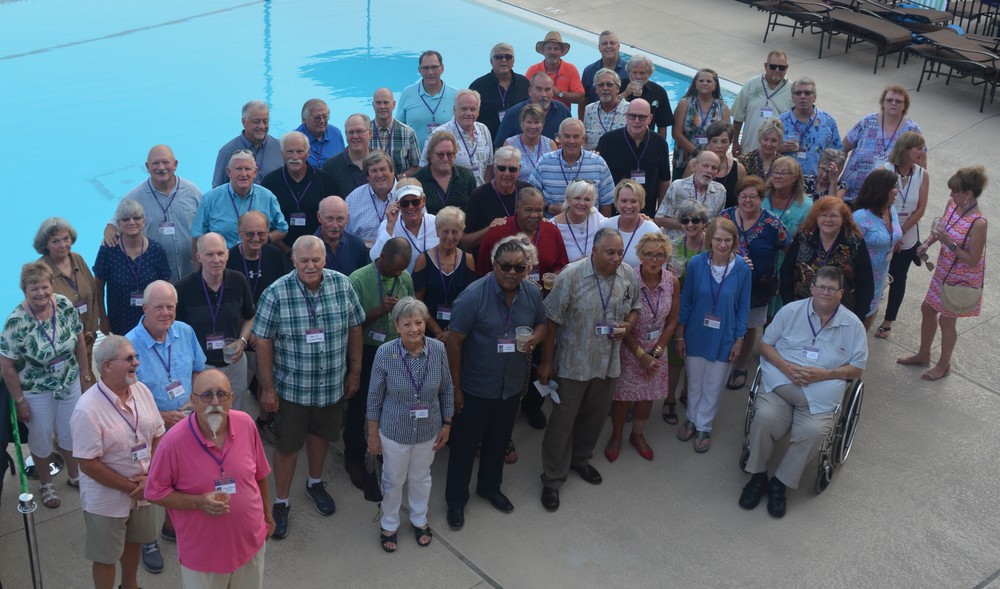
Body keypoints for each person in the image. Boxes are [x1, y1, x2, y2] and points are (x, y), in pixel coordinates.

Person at [253, 236, 365, 539]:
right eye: (304, 261)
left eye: (316, 259)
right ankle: (281, 502)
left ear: (324, 259)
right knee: (287, 447)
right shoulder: (276, 293)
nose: (311, 266)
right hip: (293, 390)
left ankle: (315, 483)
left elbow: (356, 327)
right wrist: (267, 388)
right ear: (294, 261)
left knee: (320, 437)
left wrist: (354, 373)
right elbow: (262, 341)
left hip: (331, 386)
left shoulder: (343, 285)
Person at [739, 266, 867, 519]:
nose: (825, 292)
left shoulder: (853, 325)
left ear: (841, 293)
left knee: (813, 432)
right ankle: (758, 475)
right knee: (764, 419)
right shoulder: (790, 311)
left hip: (819, 399)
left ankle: (780, 484)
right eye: (821, 287)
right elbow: (765, 345)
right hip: (781, 387)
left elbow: (857, 369)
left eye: (832, 289)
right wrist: (786, 368)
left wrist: (825, 374)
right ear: (812, 288)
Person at [444, 238, 546, 529]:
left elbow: (543, 323)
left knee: (499, 441)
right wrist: (455, 388)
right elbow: (454, 341)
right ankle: (456, 500)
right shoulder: (473, 296)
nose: (512, 272)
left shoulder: (532, 292)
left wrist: (535, 339)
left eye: (519, 267)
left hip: (510, 385)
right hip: (475, 386)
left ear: (527, 268)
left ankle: (489, 487)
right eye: (506, 267)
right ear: (494, 265)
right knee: (464, 447)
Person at [537, 228, 641, 511]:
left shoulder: (627, 274)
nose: (616, 258)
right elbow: (551, 319)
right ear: (594, 252)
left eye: (620, 252)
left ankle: (580, 459)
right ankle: (552, 478)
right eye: (610, 252)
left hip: (607, 362)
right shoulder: (571, 275)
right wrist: (546, 362)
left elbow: (635, 306)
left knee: (594, 416)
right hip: (573, 363)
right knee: (562, 422)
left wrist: (629, 324)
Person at [145, 369, 273, 588]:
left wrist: (267, 516)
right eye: (206, 395)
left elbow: (260, 474)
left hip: (250, 544)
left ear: (231, 398)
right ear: (193, 400)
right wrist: (198, 502)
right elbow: (154, 493)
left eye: (221, 394)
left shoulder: (246, 424)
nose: (214, 402)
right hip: (204, 557)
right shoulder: (172, 443)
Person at [70, 335, 166, 589]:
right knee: (106, 556)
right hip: (107, 499)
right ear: (107, 366)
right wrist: (132, 487)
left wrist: (149, 478)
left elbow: (159, 435)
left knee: (134, 541)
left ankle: (130, 585)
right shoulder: (87, 409)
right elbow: (88, 464)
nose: (136, 362)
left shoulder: (141, 391)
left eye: (136, 357)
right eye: (129, 358)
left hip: (144, 488)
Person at [124, 280, 207, 573]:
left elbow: (198, 370)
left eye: (170, 307)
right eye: (158, 307)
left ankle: (172, 528)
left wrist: (196, 401)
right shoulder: (128, 346)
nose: (165, 313)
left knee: (183, 479)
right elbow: (124, 399)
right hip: (147, 429)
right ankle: (147, 540)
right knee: (148, 484)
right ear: (144, 308)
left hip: (185, 423)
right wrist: (161, 416)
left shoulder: (185, 332)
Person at [1, 262, 92, 509]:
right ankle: (46, 484)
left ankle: (75, 475)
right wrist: (19, 400)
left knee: (71, 431)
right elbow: (6, 365)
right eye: (34, 289)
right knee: (40, 437)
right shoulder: (15, 322)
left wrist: (85, 375)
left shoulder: (63, 304)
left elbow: (79, 339)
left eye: (44, 287)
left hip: (68, 382)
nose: (41, 293)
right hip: (36, 390)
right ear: (24, 291)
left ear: (51, 285)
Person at [367, 297, 453, 552]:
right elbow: (374, 397)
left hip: (428, 430)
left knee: (421, 477)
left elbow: (447, 389)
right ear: (396, 326)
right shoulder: (385, 353)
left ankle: (419, 519)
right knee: (393, 479)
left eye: (418, 322)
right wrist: (373, 434)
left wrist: (447, 424)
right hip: (394, 431)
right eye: (407, 324)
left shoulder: (438, 349)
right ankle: (389, 524)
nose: (414, 329)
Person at [898, 167, 988, 381]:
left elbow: (973, 260)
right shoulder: (952, 205)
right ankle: (923, 354)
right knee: (927, 309)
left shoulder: (979, 223)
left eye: (955, 191)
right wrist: (928, 243)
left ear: (968, 193)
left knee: (947, 322)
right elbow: (941, 228)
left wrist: (949, 242)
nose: (951, 194)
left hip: (962, 279)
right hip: (944, 271)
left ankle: (943, 364)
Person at [674, 218, 751, 453]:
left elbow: (743, 307)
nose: (722, 245)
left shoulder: (742, 268)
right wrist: (680, 334)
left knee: (714, 384)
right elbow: (686, 300)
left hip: (725, 335)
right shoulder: (696, 263)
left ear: (734, 241)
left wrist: (739, 339)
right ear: (710, 240)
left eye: (727, 240)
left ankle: (704, 425)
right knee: (694, 381)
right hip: (696, 331)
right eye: (717, 239)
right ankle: (692, 418)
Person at [344, 238, 415, 490]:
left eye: (402, 269)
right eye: (394, 268)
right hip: (365, 350)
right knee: (359, 406)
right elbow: (350, 326)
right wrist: (378, 311)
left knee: (391, 405)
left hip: (395, 351)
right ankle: (354, 459)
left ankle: (386, 453)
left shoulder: (405, 278)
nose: (398, 273)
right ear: (381, 256)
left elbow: (411, 313)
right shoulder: (357, 280)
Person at [605, 233, 679, 463]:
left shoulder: (672, 281)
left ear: (666, 257)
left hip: (657, 349)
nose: (654, 260)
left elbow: (672, 321)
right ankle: (616, 436)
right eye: (649, 254)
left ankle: (637, 435)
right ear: (640, 255)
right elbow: (620, 320)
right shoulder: (628, 279)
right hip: (629, 347)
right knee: (623, 398)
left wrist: (656, 352)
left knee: (647, 396)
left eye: (660, 255)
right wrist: (640, 355)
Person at [720, 177, 790, 390]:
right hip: (726, 283)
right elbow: (711, 242)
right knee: (724, 320)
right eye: (744, 196)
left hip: (757, 286)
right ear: (737, 197)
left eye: (753, 196)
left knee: (749, 326)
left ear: (761, 198)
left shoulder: (772, 223)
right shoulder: (725, 217)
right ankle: (721, 359)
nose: (748, 200)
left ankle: (741, 365)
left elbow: (789, 248)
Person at [175, 233, 256, 410]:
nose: (216, 260)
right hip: (201, 367)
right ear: (199, 257)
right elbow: (176, 332)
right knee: (206, 412)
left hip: (234, 364)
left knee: (235, 410)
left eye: (220, 253)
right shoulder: (183, 289)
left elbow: (250, 316)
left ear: (227, 255)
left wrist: (242, 341)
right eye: (209, 254)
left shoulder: (239, 281)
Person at [116, 144, 202, 282]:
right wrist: (110, 228)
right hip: (154, 279)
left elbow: (206, 224)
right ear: (147, 166)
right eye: (155, 163)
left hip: (191, 276)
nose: (161, 168)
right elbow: (118, 221)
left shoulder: (193, 192)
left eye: (166, 162)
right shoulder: (134, 197)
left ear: (175, 164)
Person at [780, 197, 875, 321]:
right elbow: (786, 271)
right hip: (803, 310)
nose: (828, 220)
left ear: (843, 219)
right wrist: (789, 304)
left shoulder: (854, 242)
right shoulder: (804, 237)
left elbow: (865, 281)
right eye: (823, 215)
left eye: (834, 216)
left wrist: (858, 317)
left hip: (841, 313)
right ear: (816, 217)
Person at [876, 132, 929, 339]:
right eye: (918, 148)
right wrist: (892, 233)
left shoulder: (922, 174)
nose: (922, 152)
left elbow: (921, 208)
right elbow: (877, 204)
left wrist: (901, 232)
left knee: (899, 278)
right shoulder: (885, 170)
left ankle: (888, 321)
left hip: (907, 234)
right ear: (906, 149)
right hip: (884, 231)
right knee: (876, 275)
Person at [662, 200, 711, 424]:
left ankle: (687, 393)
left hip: (703, 309)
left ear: (704, 222)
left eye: (695, 220)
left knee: (696, 356)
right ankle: (670, 398)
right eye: (685, 220)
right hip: (679, 308)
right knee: (675, 358)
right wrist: (670, 274)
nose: (690, 224)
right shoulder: (673, 247)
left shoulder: (712, 246)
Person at [93, 199, 171, 336]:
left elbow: (167, 286)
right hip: (119, 320)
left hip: (152, 319)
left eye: (136, 218)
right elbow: (98, 288)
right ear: (118, 224)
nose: (131, 222)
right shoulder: (108, 250)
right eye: (125, 219)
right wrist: (102, 317)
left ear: (144, 221)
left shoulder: (156, 250)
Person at [192, 150, 288, 249]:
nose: (243, 174)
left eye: (247, 169)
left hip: (258, 256)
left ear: (255, 172)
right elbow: (197, 235)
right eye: (238, 169)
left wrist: (264, 239)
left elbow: (282, 229)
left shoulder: (267, 197)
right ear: (229, 172)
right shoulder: (210, 199)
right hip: (222, 258)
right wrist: (198, 260)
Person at [841, 85, 922, 203]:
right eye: (889, 100)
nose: (893, 103)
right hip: (851, 194)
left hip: (884, 200)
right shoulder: (867, 121)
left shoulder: (912, 130)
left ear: (905, 106)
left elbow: (920, 165)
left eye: (898, 101)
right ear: (883, 102)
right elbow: (843, 148)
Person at [261, 131, 335, 256]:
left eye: (300, 151)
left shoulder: (324, 180)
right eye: (290, 151)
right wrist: (286, 251)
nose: (295, 157)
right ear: (282, 153)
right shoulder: (269, 182)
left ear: (308, 153)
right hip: (280, 253)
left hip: (317, 252)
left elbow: (331, 218)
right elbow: (265, 222)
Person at [35, 218, 98, 363]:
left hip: (87, 335)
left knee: (86, 371)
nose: (63, 245)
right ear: (45, 245)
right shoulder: (41, 270)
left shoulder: (77, 259)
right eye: (55, 241)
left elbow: (93, 293)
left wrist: (93, 330)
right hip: (61, 343)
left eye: (66, 239)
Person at [597, 98, 671, 217]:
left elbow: (664, 179)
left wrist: (660, 212)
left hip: (648, 213)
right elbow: (600, 181)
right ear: (626, 116)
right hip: (615, 213)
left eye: (642, 117)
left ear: (650, 119)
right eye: (632, 116)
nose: (636, 121)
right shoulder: (607, 141)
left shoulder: (659, 143)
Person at [413, 206, 477, 340]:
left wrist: (453, 332)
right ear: (437, 231)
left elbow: (470, 301)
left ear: (461, 233)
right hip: (429, 331)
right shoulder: (423, 260)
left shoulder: (468, 260)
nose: (450, 237)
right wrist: (438, 332)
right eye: (445, 231)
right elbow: (418, 301)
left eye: (455, 232)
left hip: (459, 331)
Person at [476, 187, 569, 278]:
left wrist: (553, 279)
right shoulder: (496, 234)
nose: (534, 215)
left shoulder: (552, 231)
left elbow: (561, 266)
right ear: (517, 208)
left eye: (539, 210)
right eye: (528, 210)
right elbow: (482, 273)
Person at [530, 118, 615, 216]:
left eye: (576, 136)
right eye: (566, 136)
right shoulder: (544, 162)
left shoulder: (599, 164)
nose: (571, 141)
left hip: (589, 224)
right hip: (553, 223)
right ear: (559, 138)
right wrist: (548, 207)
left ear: (583, 139)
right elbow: (531, 194)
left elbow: (606, 203)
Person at [852, 169, 902, 329]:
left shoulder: (891, 209)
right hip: (861, 281)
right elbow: (850, 251)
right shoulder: (860, 217)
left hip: (880, 279)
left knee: (868, 321)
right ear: (882, 189)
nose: (897, 191)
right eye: (894, 187)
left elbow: (893, 235)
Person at [763, 157, 813, 307]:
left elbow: (805, 241)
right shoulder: (761, 196)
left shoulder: (806, 205)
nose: (778, 176)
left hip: (787, 266)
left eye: (783, 173)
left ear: (795, 177)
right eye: (775, 172)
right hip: (761, 264)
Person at [462, 146, 532, 250]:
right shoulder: (478, 196)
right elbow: (465, 242)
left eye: (512, 169)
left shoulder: (527, 191)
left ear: (519, 169)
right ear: (494, 169)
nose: (507, 174)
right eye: (502, 168)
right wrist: (489, 229)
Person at [419, 89, 494, 186]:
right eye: (464, 109)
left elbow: (489, 166)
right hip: (453, 193)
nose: (468, 113)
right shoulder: (438, 134)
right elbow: (423, 169)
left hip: (480, 193)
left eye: (472, 109)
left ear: (478, 111)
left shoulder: (484, 130)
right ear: (454, 110)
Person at [777, 78, 843, 177]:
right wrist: (779, 148)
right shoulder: (780, 122)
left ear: (814, 97)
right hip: (786, 180)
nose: (802, 97)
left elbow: (839, 155)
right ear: (793, 97)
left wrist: (830, 178)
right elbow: (766, 152)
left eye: (807, 93)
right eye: (798, 93)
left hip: (817, 181)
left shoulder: (828, 121)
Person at [672, 68, 730, 179]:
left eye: (709, 81)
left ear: (715, 85)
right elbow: (676, 133)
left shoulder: (722, 107)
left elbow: (728, 135)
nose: (705, 83)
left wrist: (711, 156)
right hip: (684, 159)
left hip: (711, 162)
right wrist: (697, 152)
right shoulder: (685, 104)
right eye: (701, 81)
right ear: (696, 84)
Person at [370, 180, 439, 274]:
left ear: (423, 201)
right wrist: (391, 225)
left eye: (415, 202)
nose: (410, 207)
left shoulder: (437, 222)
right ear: (397, 204)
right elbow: (375, 258)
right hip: (400, 280)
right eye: (404, 203)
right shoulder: (388, 225)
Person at [731, 51, 792, 157]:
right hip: (749, 150)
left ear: (786, 68)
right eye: (773, 66)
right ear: (765, 66)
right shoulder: (751, 84)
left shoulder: (793, 90)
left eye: (781, 68)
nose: (777, 70)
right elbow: (738, 117)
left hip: (777, 155)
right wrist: (735, 141)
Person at [654, 151, 726, 238]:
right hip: (675, 243)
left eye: (714, 168)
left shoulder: (720, 191)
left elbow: (717, 224)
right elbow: (659, 219)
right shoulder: (678, 186)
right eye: (705, 166)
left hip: (703, 243)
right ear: (695, 165)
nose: (709, 171)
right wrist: (691, 224)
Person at [211, 100, 282, 188]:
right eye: (256, 121)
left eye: (265, 121)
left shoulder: (280, 148)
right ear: (244, 122)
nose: (262, 126)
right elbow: (217, 189)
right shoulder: (227, 151)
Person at [494, 72, 571, 149]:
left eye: (547, 90)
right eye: (539, 89)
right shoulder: (513, 113)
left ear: (552, 92)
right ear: (529, 91)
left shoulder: (563, 111)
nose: (543, 94)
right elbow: (499, 148)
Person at [469, 43, 530, 139]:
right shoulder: (478, 86)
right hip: (489, 141)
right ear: (491, 61)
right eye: (499, 57)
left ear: (513, 61)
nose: (504, 60)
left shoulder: (524, 83)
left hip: (520, 141)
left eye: (508, 57)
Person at [397, 50, 458, 146]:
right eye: (425, 68)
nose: (430, 72)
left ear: (442, 68)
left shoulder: (456, 95)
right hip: (415, 155)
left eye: (434, 67)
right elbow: (398, 128)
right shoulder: (407, 94)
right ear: (419, 70)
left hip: (447, 154)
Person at [226, 211, 286, 302]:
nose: (256, 238)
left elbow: (281, 287)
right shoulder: (229, 258)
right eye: (250, 234)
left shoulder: (274, 254)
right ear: (240, 233)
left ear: (267, 232)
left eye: (261, 233)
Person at [684, 121, 746, 209]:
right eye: (714, 141)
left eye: (724, 141)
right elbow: (682, 195)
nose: (719, 146)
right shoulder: (694, 165)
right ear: (708, 142)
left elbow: (742, 199)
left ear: (730, 142)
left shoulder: (739, 169)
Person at [413, 131, 478, 214]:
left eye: (449, 154)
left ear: (455, 155)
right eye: (440, 154)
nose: (445, 158)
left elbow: (475, 209)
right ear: (430, 155)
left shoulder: (467, 176)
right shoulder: (418, 180)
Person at [601, 180, 662, 268]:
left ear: (641, 203)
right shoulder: (606, 226)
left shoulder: (653, 232)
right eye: (624, 201)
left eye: (633, 201)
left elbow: (660, 268)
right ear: (616, 202)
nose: (628, 206)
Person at [345, 151, 398, 247]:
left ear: (392, 171)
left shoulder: (408, 195)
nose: (379, 175)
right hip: (364, 254)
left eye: (383, 169)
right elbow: (345, 237)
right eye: (374, 171)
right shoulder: (352, 199)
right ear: (367, 176)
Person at [525, 31, 585, 116]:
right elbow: (524, 94)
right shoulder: (533, 70)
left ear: (561, 52)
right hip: (535, 116)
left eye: (556, 49)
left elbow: (580, 97)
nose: (552, 52)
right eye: (549, 48)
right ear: (543, 51)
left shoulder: (570, 69)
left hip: (561, 116)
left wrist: (559, 94)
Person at [618, 55, 673, 139]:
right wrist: (625, 93)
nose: (638, 77)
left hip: (646, 140)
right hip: (620, 137)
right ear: (628, 72)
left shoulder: (658, 92)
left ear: (649, 74)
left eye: (642, 73)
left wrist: (660, 144)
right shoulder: (619, 86)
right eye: (634, 72)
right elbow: (608, 108)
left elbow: (662, 124)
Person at [552, 180, 609, 262]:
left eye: (587, 199)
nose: (582, 203)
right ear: (568, 199)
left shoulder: (595, 216)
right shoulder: (554, 226)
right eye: (577, 198)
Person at [314, 195, 370, 276]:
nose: (335, 225)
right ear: (319, 217)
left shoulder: (357, 245)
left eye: (340, 219)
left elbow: (363, 277)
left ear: (347, 218)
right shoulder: (307, 247)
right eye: (329, 219)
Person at [370, 89, 421, 178]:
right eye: (378, 103)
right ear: (373, 105)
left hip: (400, 184)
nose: (382, 106)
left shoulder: (408, 133)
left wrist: (401, 177)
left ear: (393, 104)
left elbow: (416, 166)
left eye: (386, 102)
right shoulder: (364, 132)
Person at [504, 103, 557, 183]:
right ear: (522, 123)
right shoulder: (510, 144)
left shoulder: (550, 144)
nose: (533, 126)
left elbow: (555, 173)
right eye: (529, 122)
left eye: (536, 122)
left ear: (542, 124)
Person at [323, 113, 373, 198]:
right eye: (350, 132)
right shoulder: (331, 167)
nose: (355, 136)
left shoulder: (382, 162)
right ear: (345, 135)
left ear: (370, 134)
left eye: (359, 131)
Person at [583, 68, 628, 150]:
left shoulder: (630, 109)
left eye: (609, 85)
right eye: (600, 85)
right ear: (596, 89)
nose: (605, 88)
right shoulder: (589, 109)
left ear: (618, 88)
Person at [294, 98, 345, 168]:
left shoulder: (335, 134)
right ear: (304, 119)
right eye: (317, 118)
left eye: (325, 117)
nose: (322, 121)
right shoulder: (294, 139)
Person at [581, 30, 629, 103]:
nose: (608, 46)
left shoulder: (629, 70)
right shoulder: (589, 71)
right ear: (599, 47)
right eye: (604, 43)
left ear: (618, 46)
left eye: (612, 43)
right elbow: (584, 99)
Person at [737, 118, 783, 182]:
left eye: (773, 140)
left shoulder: (783, 163)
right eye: (765, 139)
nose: (769, 144)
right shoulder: (744, 160)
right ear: (760, 139)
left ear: (779, 142)